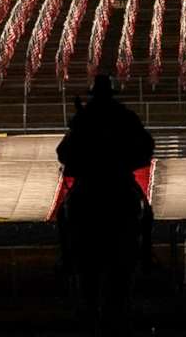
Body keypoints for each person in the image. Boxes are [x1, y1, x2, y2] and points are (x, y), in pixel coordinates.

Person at [58, 74, 154, 325]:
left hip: (90, 183)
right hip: (119, 181)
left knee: (64, 215)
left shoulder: (84, 118)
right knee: (147, 214)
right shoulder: (124, 116)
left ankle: (67, 260)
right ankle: (145, 257)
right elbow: (146, 146)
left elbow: (64, 152)